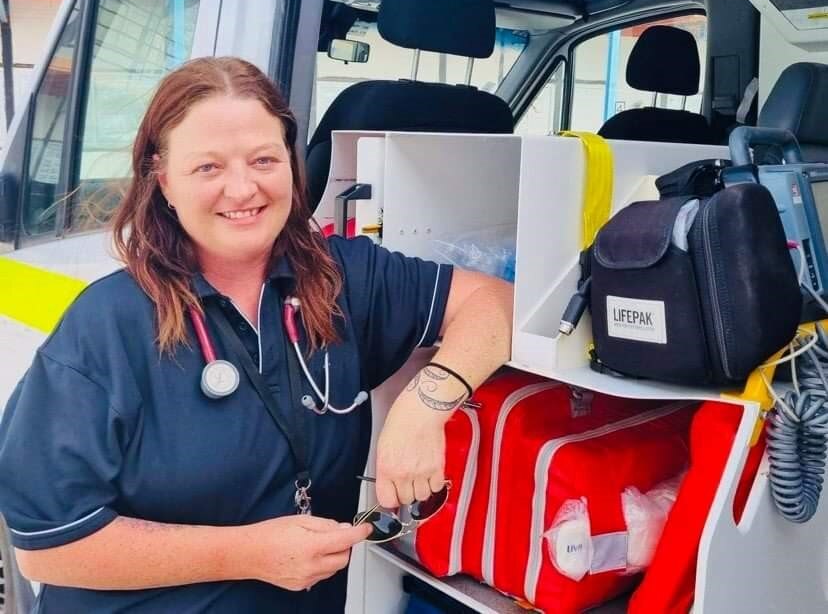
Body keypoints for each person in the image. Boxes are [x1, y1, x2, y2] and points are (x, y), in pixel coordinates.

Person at [0, 57, 513, 612]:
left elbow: (496, 302)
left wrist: (425, 406)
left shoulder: (344, 277)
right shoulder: (106, 324)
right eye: (208, 168)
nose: (242, 188)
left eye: (264, 159)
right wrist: (244, 553)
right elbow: (49, 549)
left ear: (292, 166)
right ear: (163, 180)